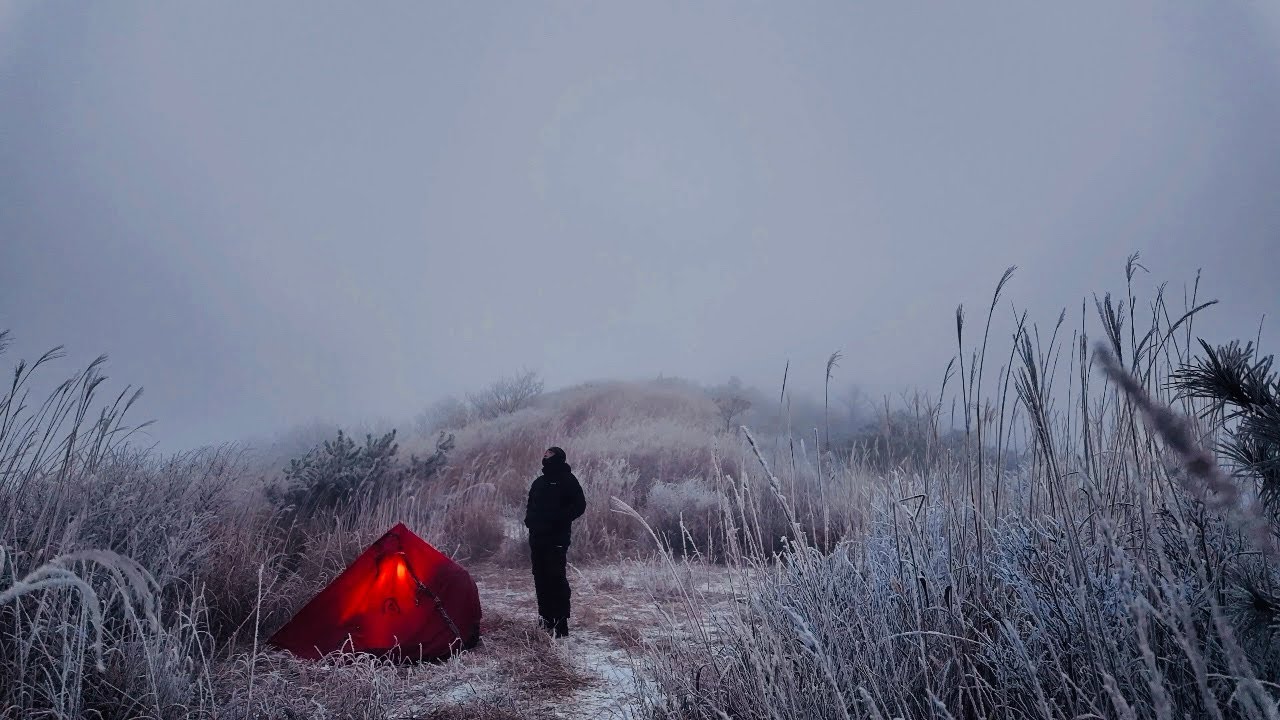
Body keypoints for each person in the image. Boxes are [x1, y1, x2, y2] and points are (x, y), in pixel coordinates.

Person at [523, 446, 586, 638]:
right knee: (540, 578)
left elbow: (580, 506)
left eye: (549, 453)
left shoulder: (568, 480)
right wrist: (530, 521)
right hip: (537, 539)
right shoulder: (539, 482)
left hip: (556, 539)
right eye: (544, 453)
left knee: (556, 579)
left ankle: (560, 624)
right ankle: (545, 621)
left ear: (559, 457)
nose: (545, 455)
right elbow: (530, 506)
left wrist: (559, 519)